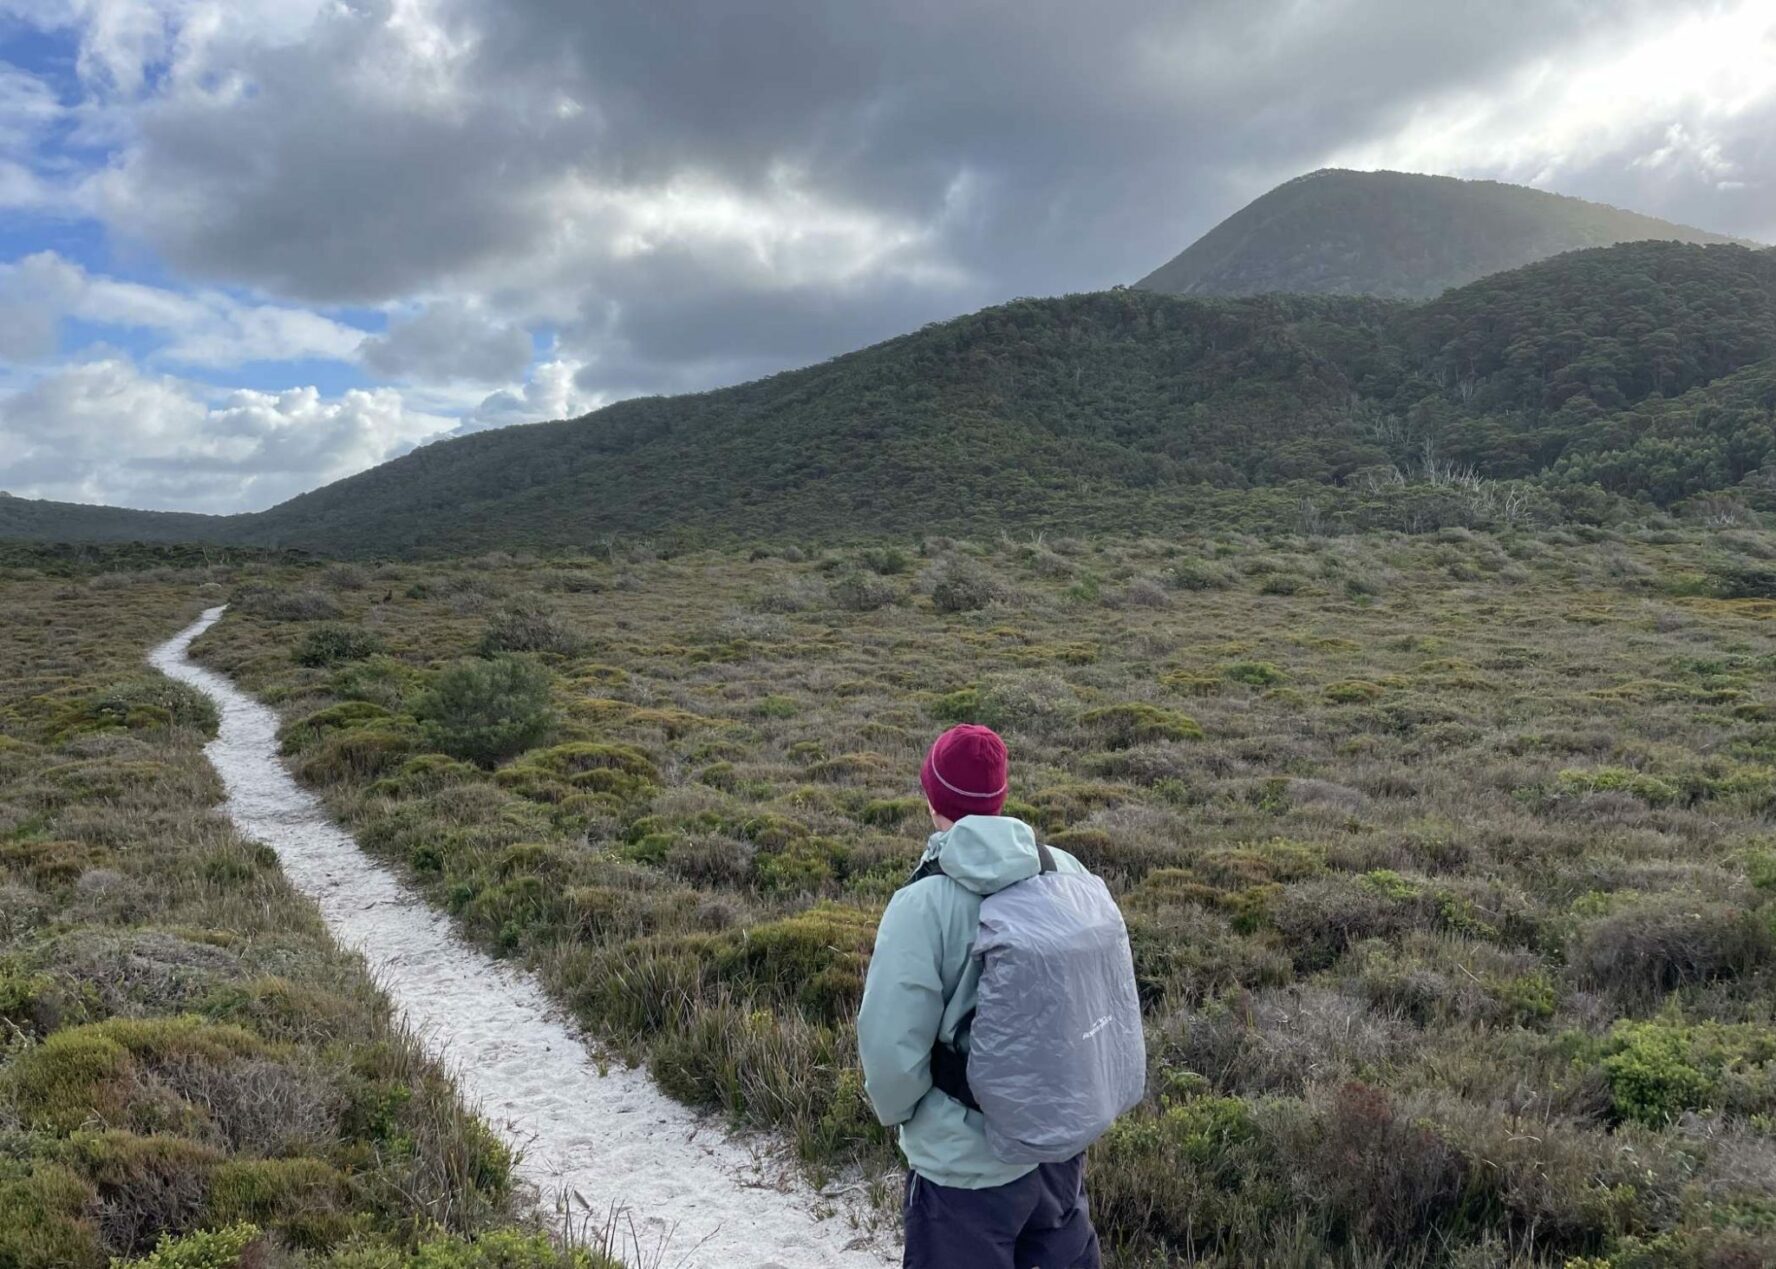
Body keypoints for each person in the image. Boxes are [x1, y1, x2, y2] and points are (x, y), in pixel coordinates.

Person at [857, 723, 1106, 1269]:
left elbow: (890, 1049)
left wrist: (910, 1118)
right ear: (1000, 795)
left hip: (963, 1169)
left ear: (931, 798)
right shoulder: (1066, 870)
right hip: (1055, 1146)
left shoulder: (922, 904)